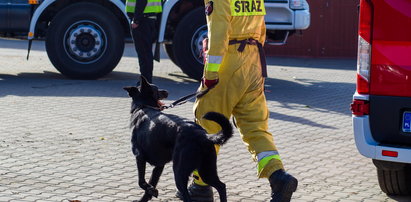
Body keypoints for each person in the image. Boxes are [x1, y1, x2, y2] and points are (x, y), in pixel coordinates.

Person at [188, 0, 299, 201]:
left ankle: (200, 188)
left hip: (228, 65)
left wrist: (210, 74)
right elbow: (261, 30)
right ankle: (278, 177)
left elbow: (219, 33)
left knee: (208, 124)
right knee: (255, 127)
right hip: (254, 62)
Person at [126, 0, 162, 83]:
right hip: (147, 18)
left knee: (144, 54)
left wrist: (136, 20)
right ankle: (146, 81)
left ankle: (145, 82)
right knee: (146, 53)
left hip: (142, 20)